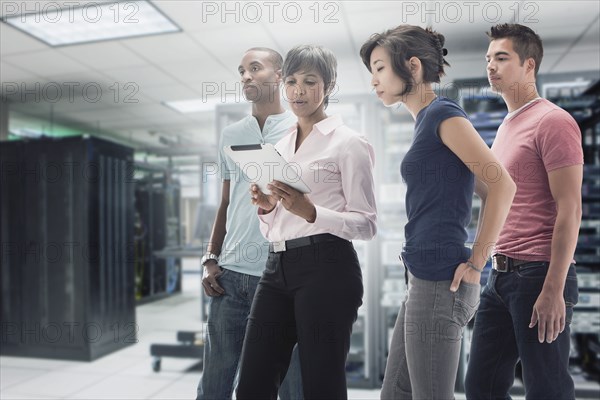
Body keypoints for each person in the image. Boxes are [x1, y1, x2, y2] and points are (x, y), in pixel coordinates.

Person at [360, 25, 516, 399]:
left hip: (440, 282)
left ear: (412, 66)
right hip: (422, 280)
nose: (374, 81)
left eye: (380, 68)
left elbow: (501, 185)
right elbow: (473, 184)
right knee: (395, 394)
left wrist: (478, 262)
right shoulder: (426, 122)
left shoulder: (443, 114)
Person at [235, 44, 377, 400]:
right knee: (252, 383)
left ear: (328, 86)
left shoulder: (349, 143)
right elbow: (276, 226)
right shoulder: (280, 146)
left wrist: (312, 212)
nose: (298, 91)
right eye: (293, 81)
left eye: (310, 81)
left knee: (321, 386)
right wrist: (268, 207)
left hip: (327, 268)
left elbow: (367, 224)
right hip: (277, 267)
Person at [465, 24, 583, 400]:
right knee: (480, 387)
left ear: (529, 65)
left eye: (502, 58)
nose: (491, 66)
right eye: (488, 59)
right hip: (499, 278)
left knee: (546, 389)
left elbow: (570, 207)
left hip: (539, 275)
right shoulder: (507, 125)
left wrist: (554, 290)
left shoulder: (554, 121)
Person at [196, 47, 303, 400]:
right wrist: (210, 257)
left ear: (279, 75)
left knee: (286, 383)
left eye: (254, 68)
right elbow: (225, 202)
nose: (245, 76)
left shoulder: (300, 128)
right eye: (241, 70)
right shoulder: (231, 134)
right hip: (231, 277)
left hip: (279, 275)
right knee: (215, 381)